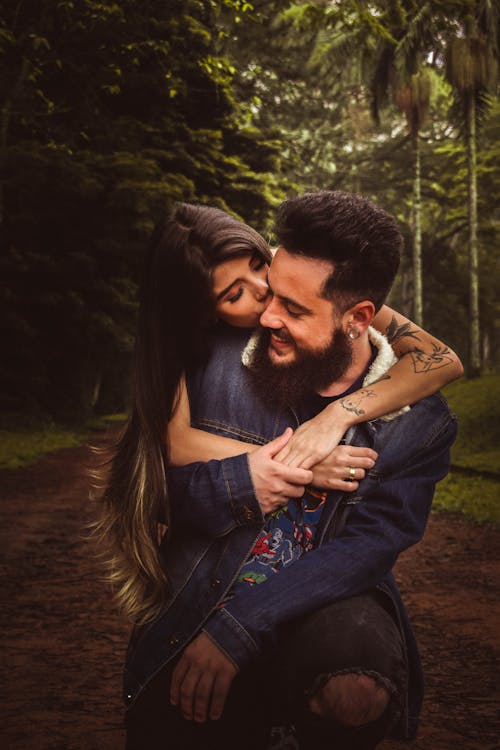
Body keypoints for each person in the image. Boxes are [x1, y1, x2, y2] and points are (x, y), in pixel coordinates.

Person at [120, 193, 459, 750]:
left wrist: (338, 415)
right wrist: (255, 476)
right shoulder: (214, 355)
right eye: (260, 293)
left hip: (327, 597)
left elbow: (370, 546)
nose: (266, 313)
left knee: (355, 690)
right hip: (209, 579)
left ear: (358, 318)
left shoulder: (419, 421)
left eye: (291, 306)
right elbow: (158, 493)